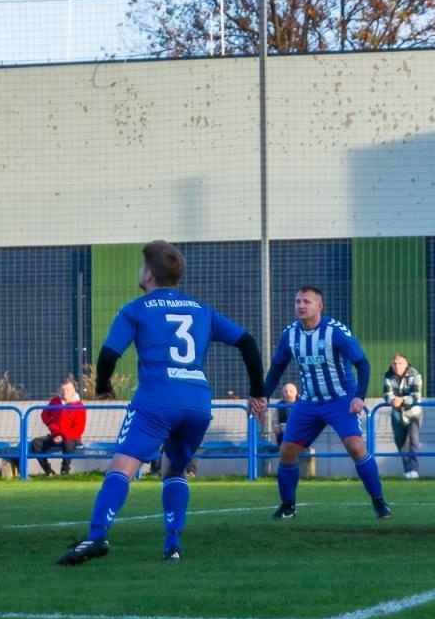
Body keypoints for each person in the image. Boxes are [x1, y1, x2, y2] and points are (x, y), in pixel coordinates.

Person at [57, 241, 263, 564]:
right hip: (197, 401)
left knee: (122, 468)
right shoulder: (202, 310)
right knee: (175, 469)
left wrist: (103, 385)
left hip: (157, 399)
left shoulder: (136, 309)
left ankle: (97, 536)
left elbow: (110, 353)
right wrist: (258, 391)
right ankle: (173, 545)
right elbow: (247, 342)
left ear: (149, 274)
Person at [263, 285, 389, 521]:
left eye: (307, 302)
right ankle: (288, 506)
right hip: (308, 402)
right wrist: (263, 396)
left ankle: (379, 501)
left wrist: (359, 397)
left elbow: (363, 364)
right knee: (287, 450)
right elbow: (278, 366)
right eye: (298, 301)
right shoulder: (290, 333)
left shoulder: (336, 331)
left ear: (319, 306)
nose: (301, 305)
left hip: (341, 400)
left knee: (355, 446)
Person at [32, 377, 87, 476]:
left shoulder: (79, 406)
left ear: (74, 390)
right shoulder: (54, 401)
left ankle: (65, 471)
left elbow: (79, 429)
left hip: (71, 437)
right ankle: (49, 472)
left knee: (68, 444)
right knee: (36, 443)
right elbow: (44, 415)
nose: (64, 392)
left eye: (67, 389)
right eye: (62, 389)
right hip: (55, 435)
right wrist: (54, 429)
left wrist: (63, 436)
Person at [380, 354, 423, 479]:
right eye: (394, 363)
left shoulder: (415, 375)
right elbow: (387, 395)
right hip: (397, 413)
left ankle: (414, 470)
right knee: (400, 442)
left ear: (406, 364)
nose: (396, 366)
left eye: (399, 363)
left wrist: (402, 400)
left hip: (413, 412)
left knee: (414, 441)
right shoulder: (388, 375)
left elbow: (416, 396)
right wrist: (393, 401)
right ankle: (407, 470)